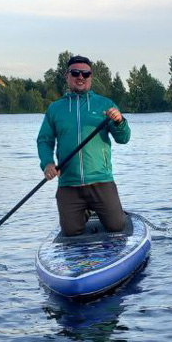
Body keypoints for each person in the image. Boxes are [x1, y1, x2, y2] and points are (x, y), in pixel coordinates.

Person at [37, 55, 130, 236]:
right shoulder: (55, 109)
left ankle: (102, 209)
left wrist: (120, 121)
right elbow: (44, 140)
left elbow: (124, 138)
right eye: (76, 73)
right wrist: (47, 163)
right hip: (69, 183)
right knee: (71, 232)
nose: (81, 77)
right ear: (67, 75)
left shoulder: (105, 105)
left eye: (85, 74)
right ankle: (84, 211)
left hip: (100, 180)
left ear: (91, 77)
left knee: (117, 226)